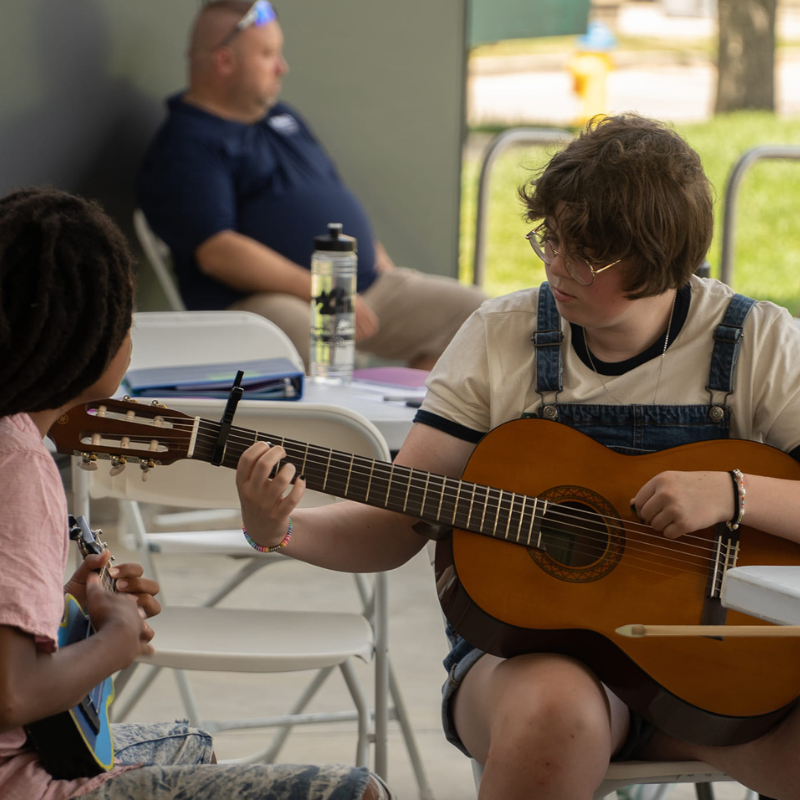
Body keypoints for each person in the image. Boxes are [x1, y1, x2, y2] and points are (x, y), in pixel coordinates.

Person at [234, 114, 800, 800]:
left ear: (657, 261)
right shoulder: (502, 337)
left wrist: (735, 494)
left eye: (583, 253)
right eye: (550, 239)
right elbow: (393, 526)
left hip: (716, 671)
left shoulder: (756, 342)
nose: (555, 264)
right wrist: (280, 528)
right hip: (533, 663)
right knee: (556, 715)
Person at [0, 186, 394, 800]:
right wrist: (115, 641)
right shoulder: (18, 465)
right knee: (358, 792)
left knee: (190, 742)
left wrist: (65, 609)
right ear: (86, 340)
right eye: (123, 319)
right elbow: (14, 693)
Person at [137, 0, 486, 371]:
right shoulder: (186, 144)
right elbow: (218, 252)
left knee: (478, 316)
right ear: (225, 61)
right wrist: (322, 290)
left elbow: (331, 193)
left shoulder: (283, 117)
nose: (281, 67)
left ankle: (414, 423)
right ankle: (360, 423)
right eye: (268, 54)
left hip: (360, 286)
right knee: (321, 345)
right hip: (264, 301)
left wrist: (376, 256)